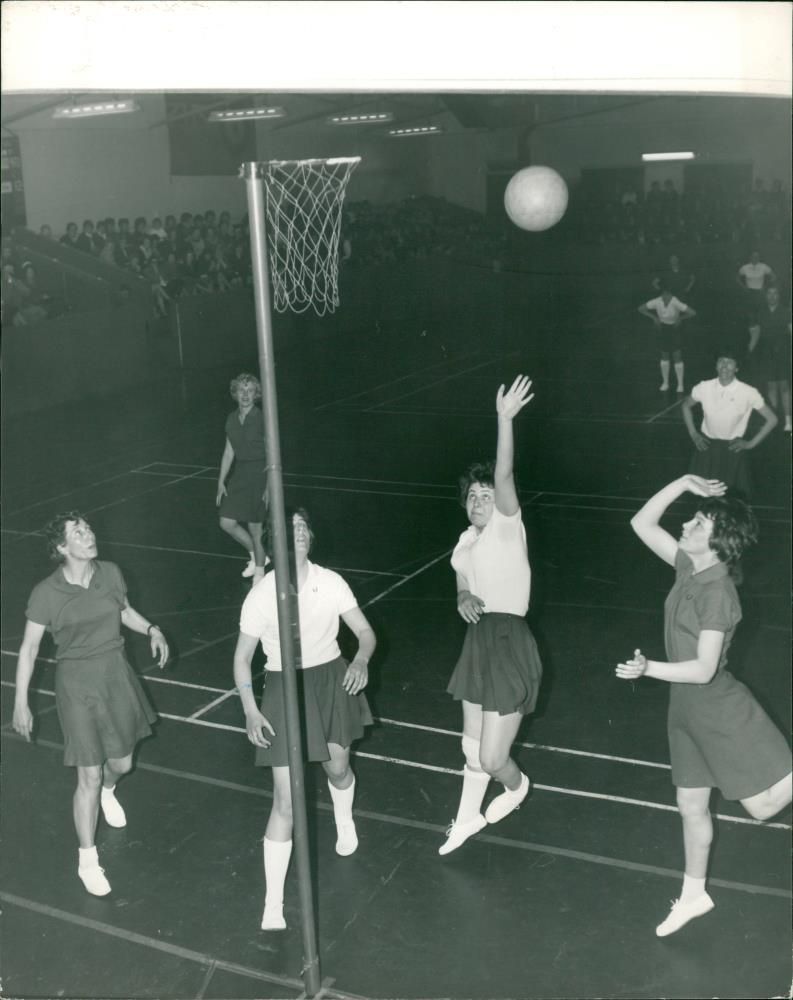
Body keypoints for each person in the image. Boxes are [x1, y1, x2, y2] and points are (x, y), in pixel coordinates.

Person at [616, 476, 792, 937]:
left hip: (718, 708)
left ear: (717, 542)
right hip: (685, 711)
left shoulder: (718, 592)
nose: (688, 524)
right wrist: (681, 484)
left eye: (699, 521)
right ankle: (695, 895)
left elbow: (704, 668)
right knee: (690, 804)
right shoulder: (687, 568)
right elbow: (641, 522)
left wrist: (649, 668)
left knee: (764, 806)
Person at [232, 508, 375, 930]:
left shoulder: (330, 582)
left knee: (338, 767)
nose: (297, 533)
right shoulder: (261, 594)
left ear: (310, 538)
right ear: (273, 543)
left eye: (302, 528)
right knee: (285, 802)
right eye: (287, 528)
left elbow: (365, 634)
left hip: (330, 679)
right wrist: (250, 709)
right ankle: (273, 902)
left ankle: (344, 817)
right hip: (282, 688)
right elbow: (242, 658)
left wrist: (362, 660)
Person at [12, 513, 169, 897]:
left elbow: (123, 611)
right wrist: (20, 703)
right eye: (77, 532)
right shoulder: (46, 593)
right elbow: (30, 648)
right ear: (62, 548)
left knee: (121, 764)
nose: (88, 534)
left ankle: (109, 791)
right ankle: (87, 858)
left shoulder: (111, 573)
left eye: (88, 528)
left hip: (116, 675)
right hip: (76, 685)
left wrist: (152, 628)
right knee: (88, 775)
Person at [439, 375, 542, 856]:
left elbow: (503, 475)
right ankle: (464, 819)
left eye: (485, 495)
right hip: (478, 640)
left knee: (492, 755)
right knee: (470, 746)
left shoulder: (506, 525)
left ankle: (518, 787)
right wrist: (462, 597)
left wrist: (504, 421)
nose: (481, 500)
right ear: (464, 506)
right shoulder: (465, 542)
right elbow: (462, 578)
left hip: (509, 639)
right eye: (473, 497)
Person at [681, 351, 777, 498]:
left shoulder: (748, 392)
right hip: (706, 449)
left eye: (729, 362)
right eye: (721, 361)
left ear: (737, 368)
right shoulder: (704, 387)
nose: (724, 366)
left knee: (731, 501)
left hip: (733, 451)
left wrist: (751, 444)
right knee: (703, 499)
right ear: (716, 365)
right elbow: (685, 405)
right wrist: (694, 434)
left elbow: (772, 419)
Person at [216, 373, 269, 581]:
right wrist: (221, 481)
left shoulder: (262, 418)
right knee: (226, 521)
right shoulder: (231, 418)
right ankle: (257, 557)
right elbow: (229, 451)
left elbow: (272, 451)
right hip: (240, 474)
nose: (245, 394)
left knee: (256, 527)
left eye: (250, 390)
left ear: (256, 394)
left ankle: (260, 573)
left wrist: (269, 486)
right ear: (235, 393)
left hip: (260, 473)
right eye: (241, 390)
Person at [748, 286, 792, 433]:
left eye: (775, 293)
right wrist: (748, 350)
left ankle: (788, 420)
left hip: (783, 354)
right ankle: (775, 419)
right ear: (766, 296)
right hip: (767, 355)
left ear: (779, 296)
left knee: (784, 387)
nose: (772, 296)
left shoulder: (786, 312)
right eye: (769, 293)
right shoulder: (760, 313)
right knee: (771, 387)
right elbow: (756, 334)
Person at [638, 288, 697, 393]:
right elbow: (641, 308)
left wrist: (680, 318)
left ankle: (680, 384)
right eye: (664, 294)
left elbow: (692, 312)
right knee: (664, 356)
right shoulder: (657, 301)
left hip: (675, 329)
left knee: (677, 356)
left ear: (671, 294)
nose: (666, 297)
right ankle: (665, 382)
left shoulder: (675, 301)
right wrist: (654, 318)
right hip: (663, 329)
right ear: (662, 294)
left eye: (668, 295)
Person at [736, 250, 776, 325]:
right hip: (749, 293)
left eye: (757, 256)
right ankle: (753, 332)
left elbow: (773, 277)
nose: (755, 258)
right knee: (751, 314)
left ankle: (762, 330)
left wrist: (766, 286)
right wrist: (744, 287)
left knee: (761, 313)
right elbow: (737, 278)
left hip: (760, 293)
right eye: (753, 256)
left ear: (759, 257)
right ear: (750, 257)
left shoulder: (763, 266)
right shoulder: (745, 267)